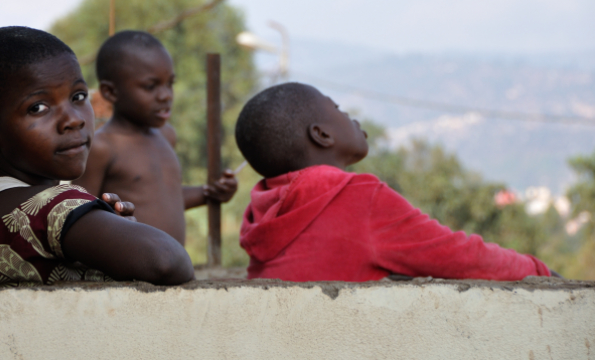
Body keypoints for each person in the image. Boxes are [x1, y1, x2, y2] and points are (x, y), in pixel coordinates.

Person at [0, 26, 194, 290]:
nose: (74, 119)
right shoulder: (49, 208)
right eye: (38, 107)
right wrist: (118, 231)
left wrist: (108, 226)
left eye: (78, 96)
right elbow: (165, 260)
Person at [235, 82, 553, 282]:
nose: (352, 117)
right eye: (338, 109)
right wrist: (539, 271)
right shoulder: (356, 197)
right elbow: (457, 255)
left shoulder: (264, 213)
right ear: (321, 134)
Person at [73, 31, 238, 245]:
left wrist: (209, 193)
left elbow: (164, 199)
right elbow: (78, 215)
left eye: (170, 84)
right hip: (128, 263)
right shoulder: (102, 147)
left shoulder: (167, 136)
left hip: (175, 263)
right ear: (110, 92)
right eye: (151, 86)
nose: (166, 95)